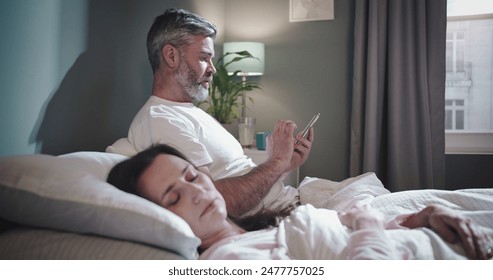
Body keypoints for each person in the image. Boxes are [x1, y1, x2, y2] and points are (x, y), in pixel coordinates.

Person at [107, 144, 493, 260]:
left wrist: (421, 216)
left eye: (192, 176)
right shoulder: (230, 261)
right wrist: (371, 225)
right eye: (174, 197)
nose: (195, 191)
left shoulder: (257, 230)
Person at [107, 8, 313, 218]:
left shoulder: (191, 111)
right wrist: (275, 163)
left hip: (291, 202)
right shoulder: (161, 120)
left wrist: (285, 166)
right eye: (204, 58)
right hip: (281, 217)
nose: (213, 69)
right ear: (171, 56)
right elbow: (213, 202)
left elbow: (238, 176)